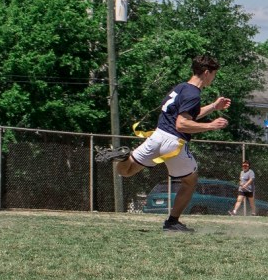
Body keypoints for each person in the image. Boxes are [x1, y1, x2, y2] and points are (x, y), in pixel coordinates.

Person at [95, 54, 231, 232]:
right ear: (206, 73)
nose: (213, 78)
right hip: (173, 142)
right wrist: (211, 126)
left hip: (157, 136)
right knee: (190, 181)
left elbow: (188, 114)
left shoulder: (182, 88)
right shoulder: (193, 94)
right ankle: (173, 221)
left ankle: (122, 157)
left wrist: (213, 106)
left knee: (126, 171)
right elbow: (182, 123)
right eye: (213, 74)